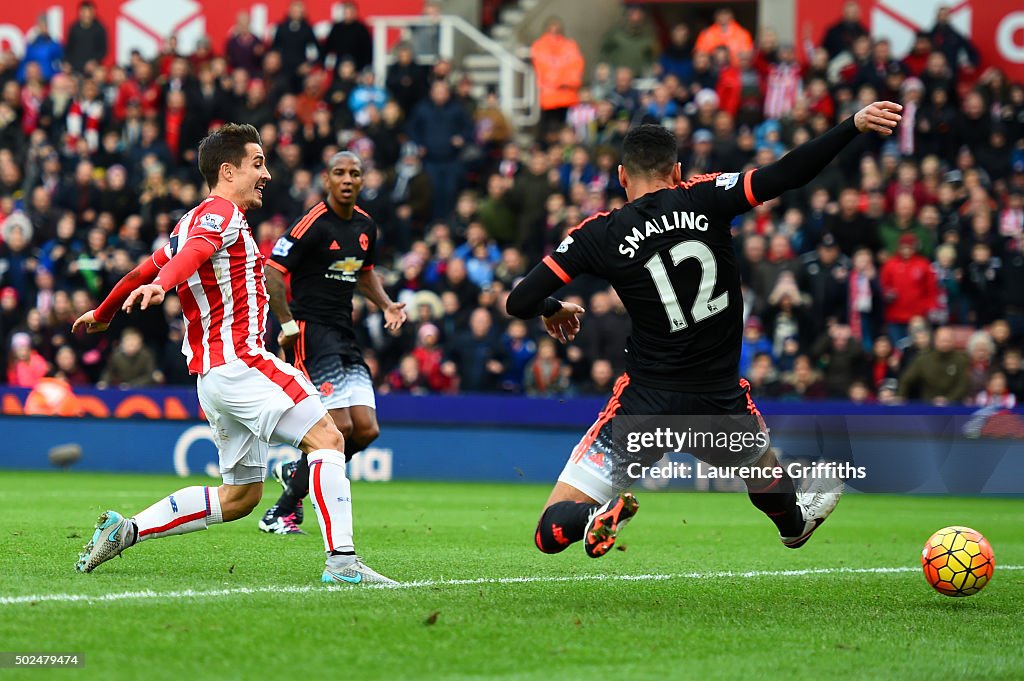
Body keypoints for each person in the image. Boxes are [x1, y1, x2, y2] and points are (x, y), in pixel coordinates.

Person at [506, 100, 903, 558]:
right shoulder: (707, 195)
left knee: (548, 533)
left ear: (620, 176)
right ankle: (794, 525)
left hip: (645, 406)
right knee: (763, 471)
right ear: (676, 171)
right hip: (720, 401)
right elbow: (788, 173)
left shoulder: (600, 233)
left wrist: (552, 306)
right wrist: (851, 124)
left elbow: (519, 301)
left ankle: (592, 517)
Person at [71, 124, 394, 585]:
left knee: (241, 497)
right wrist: (161, 287)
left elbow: (143, 269)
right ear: (228, 171)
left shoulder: (192, 220)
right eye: (257, 163)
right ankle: (342, 564)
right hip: (243, 363)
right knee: (330, 440)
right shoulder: (218, 215)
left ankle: (127, 529)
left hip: (214, 379)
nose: (265, 174)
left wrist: (103, 313)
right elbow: (184, 260)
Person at [257, 151, 407, 535]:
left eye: (354, 173)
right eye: (339, 172)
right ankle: (282, 510)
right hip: (311, 330)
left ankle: (297, 472)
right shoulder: (313, 224)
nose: (347, 179)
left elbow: (365, 273)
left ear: (362, 181)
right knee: (337, 427)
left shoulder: (366, 227)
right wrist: (286, 324)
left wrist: (388, 304)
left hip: (343, 332)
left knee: (367, 429)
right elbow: (273, 273)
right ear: (327, 180)